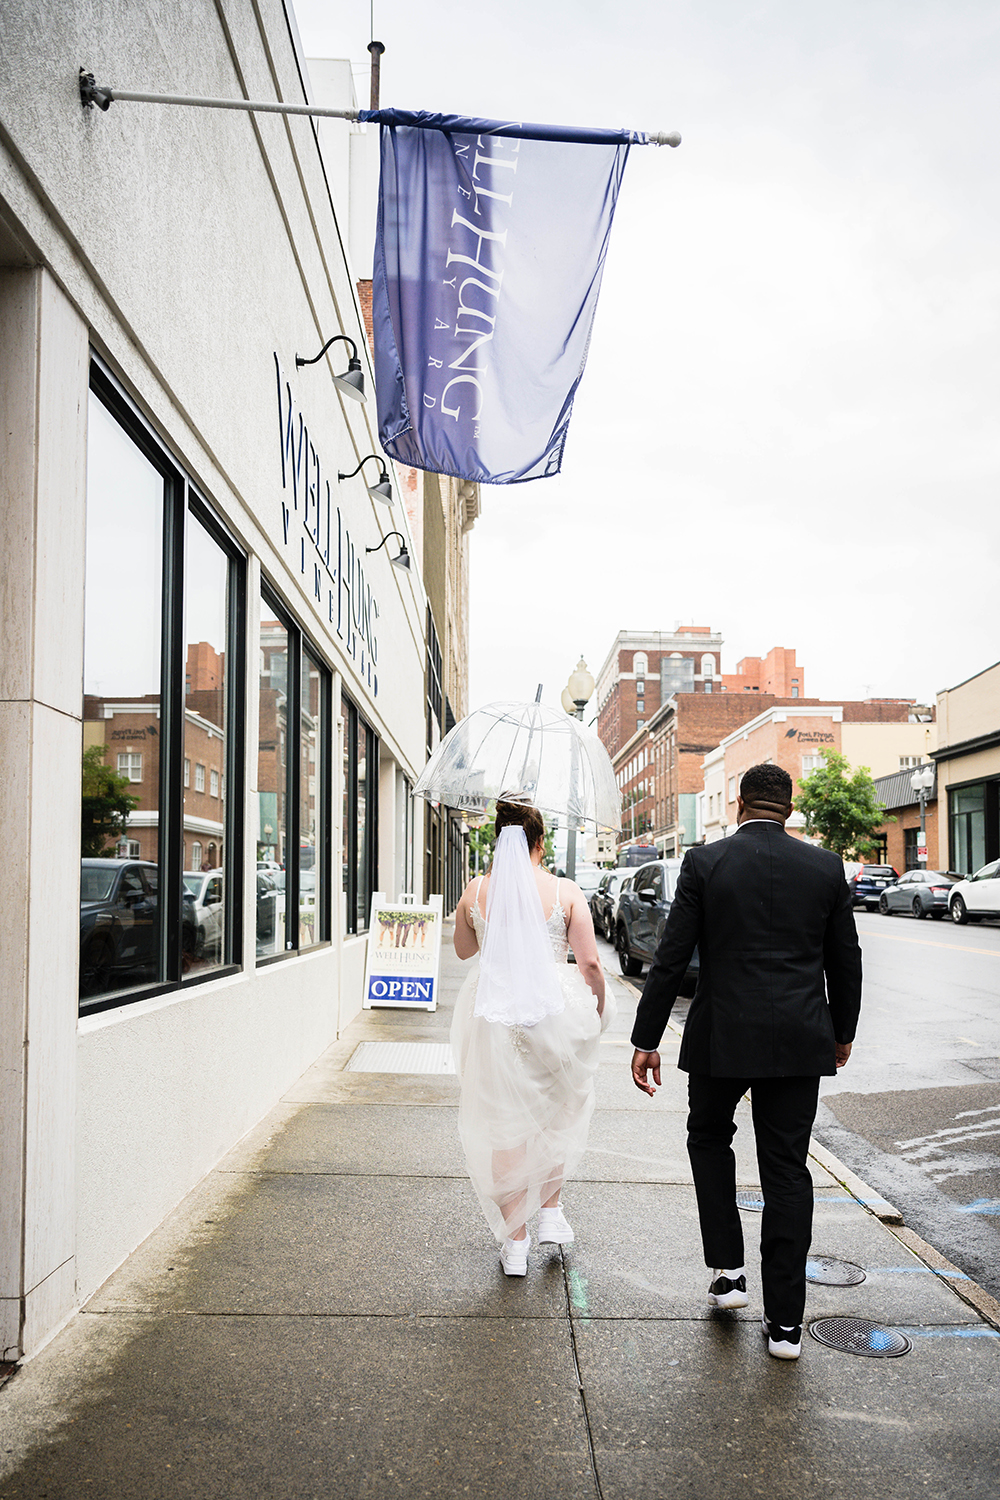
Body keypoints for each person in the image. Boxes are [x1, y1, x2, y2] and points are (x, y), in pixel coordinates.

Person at [630, 763, 862, 1359]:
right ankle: (786, 1327)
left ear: (738, 804)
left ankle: (729, 1273)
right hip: (798, 1039)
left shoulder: (706, 864)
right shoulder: (825, 867)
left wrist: (647, 1037)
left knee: (708, 1139)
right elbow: (846, 961)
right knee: (786, 1168)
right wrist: (841, 1033)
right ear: (790, 807)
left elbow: (671, 957)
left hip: (720, 1038)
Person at [452, 797, 612, 1276]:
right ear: (540, 841)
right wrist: (598, 1007)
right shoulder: (564, 890)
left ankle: (515, 1245)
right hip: (554, 1012)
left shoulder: (477, 889)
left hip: (496, 1015)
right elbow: (589, 964)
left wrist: (484, 921)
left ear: (498, 838)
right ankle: (551, 1212)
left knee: (506, 1128)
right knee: (556, 1112)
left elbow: (464, 951)